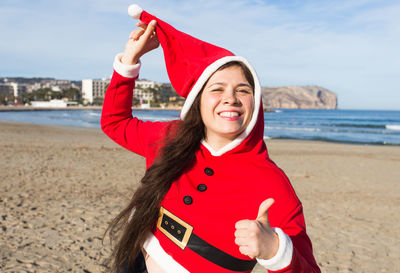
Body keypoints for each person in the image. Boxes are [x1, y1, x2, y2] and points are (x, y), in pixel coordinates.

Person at [101, 5, 320, 273]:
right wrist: (129, 61)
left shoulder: (272, 182)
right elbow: (116, 122)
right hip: (134, 258)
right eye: (217, 89)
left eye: (242, 89)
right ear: (198, 101)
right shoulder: (170, 137)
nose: (230, 98)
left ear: (256, 102)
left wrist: (275, 250)